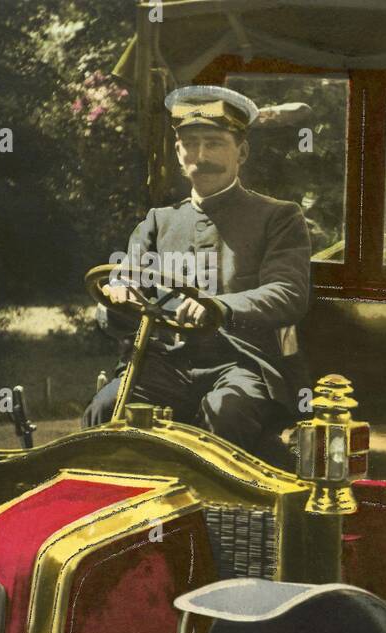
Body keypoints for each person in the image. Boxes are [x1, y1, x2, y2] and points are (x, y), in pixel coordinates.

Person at [82, 85, 311, 456]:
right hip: (163, 364)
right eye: (190, 144)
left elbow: (288, 293)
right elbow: (123, 286)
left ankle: (220, 513)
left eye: (215, 143)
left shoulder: (278, 217)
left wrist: (219, 306)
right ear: (178, 153)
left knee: (226, 412)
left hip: (240, 364)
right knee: (107, 411)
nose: (201, 157)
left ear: (242, 152)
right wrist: (116, 298)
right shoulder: (158, 222)